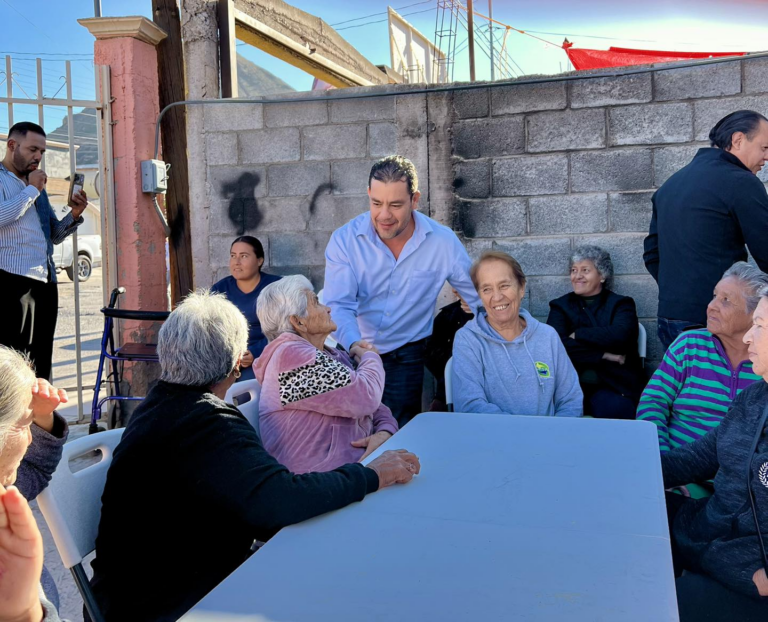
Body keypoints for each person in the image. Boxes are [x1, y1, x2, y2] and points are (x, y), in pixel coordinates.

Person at [89, 291, 420, 621]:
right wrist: (372, 474)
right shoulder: (207, 425)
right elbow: (280, 503)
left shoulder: (158, 408)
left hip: (138, 594)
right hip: (168, 605)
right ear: (237, 364)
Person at [324, 155, 480, 427]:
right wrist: (354, 345)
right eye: (376, 203)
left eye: (395, 205)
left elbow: (479, 298)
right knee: (349, 432)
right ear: (369, 194)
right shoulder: (344, 240)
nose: (384, 215)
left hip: (406, 354)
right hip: (350, 350)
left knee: (397, 430)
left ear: (415, 200)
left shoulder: (442, 243)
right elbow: (339, 304)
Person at [661, 285, 768, 621]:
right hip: (705, 533)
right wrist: (628, 464)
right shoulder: (752, 400)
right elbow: (695, 459)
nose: (748, 337)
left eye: (761, 326)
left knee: (667, 603)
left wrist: (747, 575)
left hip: (745, 568)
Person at [643, 110, 768, 351]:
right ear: (738, 140)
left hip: (669, 315)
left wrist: (681, 291)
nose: (766, 157)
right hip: (717, 317)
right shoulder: (741, 181)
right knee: (730, 388)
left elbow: (651, 253)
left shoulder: (672, 183)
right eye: (764, 148)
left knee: (689, 389)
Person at [254, 276, 398, 473]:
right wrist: (371, 356)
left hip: (353, 470)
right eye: (316, 302)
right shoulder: (290, 358)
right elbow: (367, 396)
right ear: (298, 322)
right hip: (319, 482)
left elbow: (375, 406)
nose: (327, 308)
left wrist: (384, 432)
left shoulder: (327, 354)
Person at [637, 262, 767, 453]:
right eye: (714, 296)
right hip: (675, 468)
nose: (711, 306)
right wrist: (661, 461)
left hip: (738, 476)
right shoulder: (689, 345)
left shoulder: (763, 363)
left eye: (726, 300)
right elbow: (653, 401)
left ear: (754, 315)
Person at [0, 122, 88, 380]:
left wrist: (74, 214)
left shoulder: (36, 185)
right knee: (11, 363)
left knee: (40, 361)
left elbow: (53, 235)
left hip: (45, 282)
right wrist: (31, 190)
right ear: (12, 145)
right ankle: (10, 418)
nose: (38, 156)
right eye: (32, 149)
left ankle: (39, 419)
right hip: (11, 281)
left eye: (42, 151)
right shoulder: (20, 184)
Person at [451, 251, 583, 417]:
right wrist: (521, 435)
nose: (497, 297)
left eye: (504, 286)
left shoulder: (547, 336)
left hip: (548, 439)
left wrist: (551, 437)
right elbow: (470, 405)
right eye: (487, 289)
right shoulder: (468, 339)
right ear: (479, 296)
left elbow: (571, 399)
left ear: (521, 288)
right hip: (494, 440)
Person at [0, 345, 68, 622]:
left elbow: (36, 468)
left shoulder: (6, 491)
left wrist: (41, 415)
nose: (31, 440)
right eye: (26, 425)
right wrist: (25, 614)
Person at [547, 245, 646, 419]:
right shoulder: (560, 306)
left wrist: (579, 334)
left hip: (613, 385)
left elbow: (622, 336)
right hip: (570, 385)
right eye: (574, 270)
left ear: (602, 275)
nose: (577, 276)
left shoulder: (621, 304)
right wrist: (604, 355)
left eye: (585, 270)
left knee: (614, 411)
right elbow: (556, 345)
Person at [211, 235, 281, 380]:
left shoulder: (277, 288)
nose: (236, 262)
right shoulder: (220, 289)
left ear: (259, 260)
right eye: (233, 256)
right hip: (228, 358)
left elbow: (288, 329)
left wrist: (256, 352)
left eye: (244, 256)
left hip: (268, 355)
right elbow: (210, 329)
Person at [424, 290, 473, 410]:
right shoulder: (448, 314)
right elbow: (429, 350)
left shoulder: (494, 314)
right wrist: (452, 366)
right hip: (447, 391)